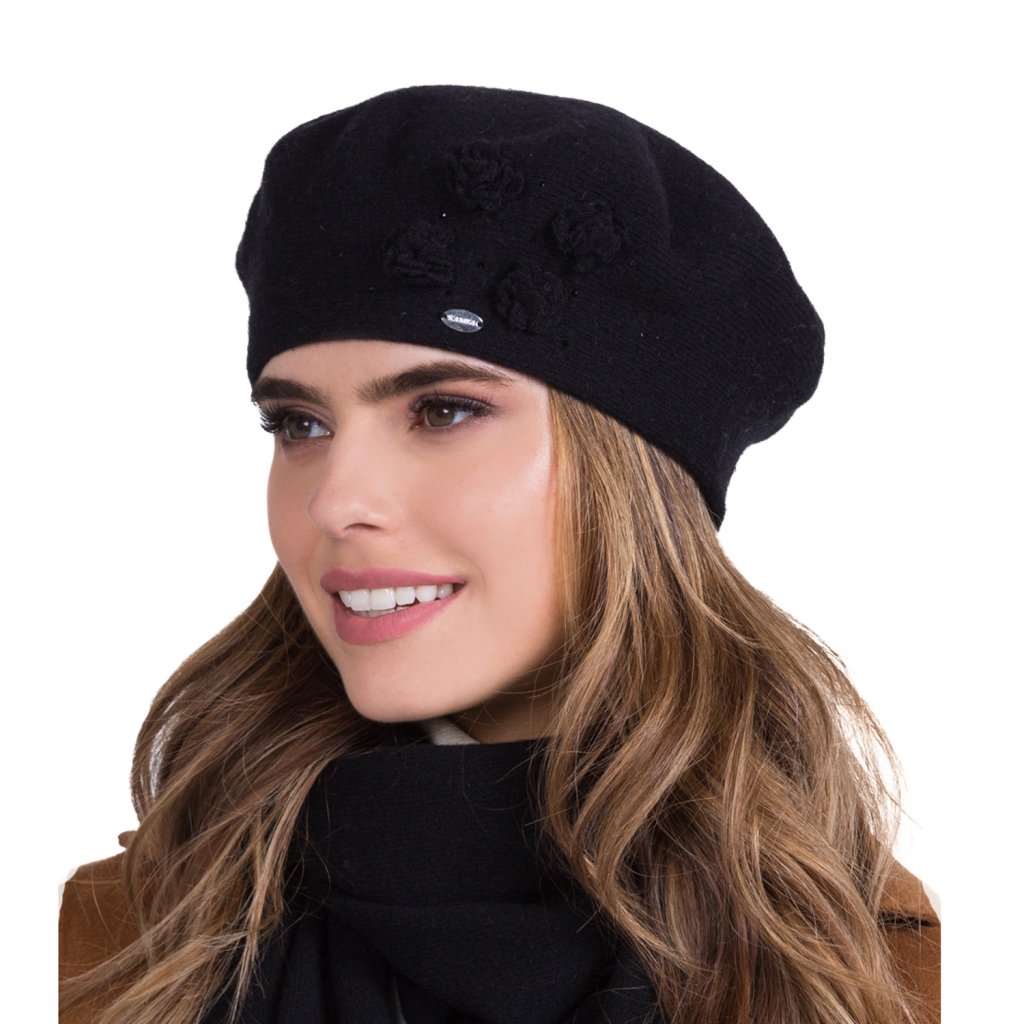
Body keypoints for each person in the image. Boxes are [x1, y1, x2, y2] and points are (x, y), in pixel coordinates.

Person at [58, 85, 939, 1024]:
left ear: (632, 471)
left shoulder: (876, 964)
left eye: (443, 410)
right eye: (299, 424)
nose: (334, 500)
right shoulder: (128, 940)